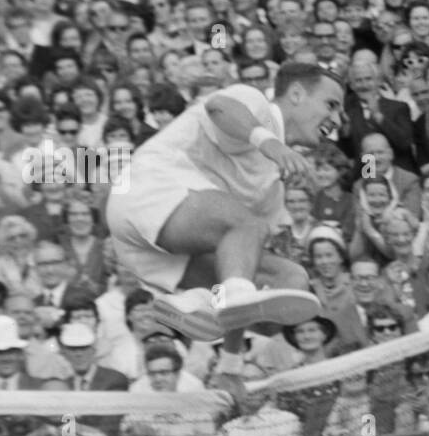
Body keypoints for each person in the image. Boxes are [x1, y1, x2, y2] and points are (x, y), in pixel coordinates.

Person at [105, 63, 342, 353]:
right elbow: (219, 107)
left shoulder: (273, 189)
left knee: (291, 279)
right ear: (296, 94)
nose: (336, 119)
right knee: (249, 230)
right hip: (144, 192)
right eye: (330, 105)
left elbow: (243, 267)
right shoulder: (255, 102)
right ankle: (211, 298)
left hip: (150, 250)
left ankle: (200, 301)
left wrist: (231, 362)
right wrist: (271, 144)